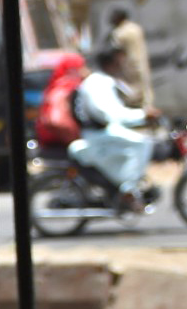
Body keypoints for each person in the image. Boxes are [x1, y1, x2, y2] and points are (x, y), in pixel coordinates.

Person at [74, 47, 160, 208]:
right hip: (97, 135)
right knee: (143, 143)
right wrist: (142, 115)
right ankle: (128, 191)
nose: (122, 66)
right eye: (119, 62)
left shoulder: (104, 81)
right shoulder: (98, 83)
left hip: (102, 131)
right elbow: (109, 114)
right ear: (110, 64)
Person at [34, 52, 87, 148]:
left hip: (48, 142)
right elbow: (56, 120)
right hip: (65, 143)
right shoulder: (68, 86)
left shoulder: (54, 86)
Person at [109, 9, 153, 109]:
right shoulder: (136, 28)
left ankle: (137, 111)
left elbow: (116, 49)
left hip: (129, 64)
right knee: (145, 88)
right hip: (142, 62)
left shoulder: (119, 32)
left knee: (132, 89)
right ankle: (148, 109)